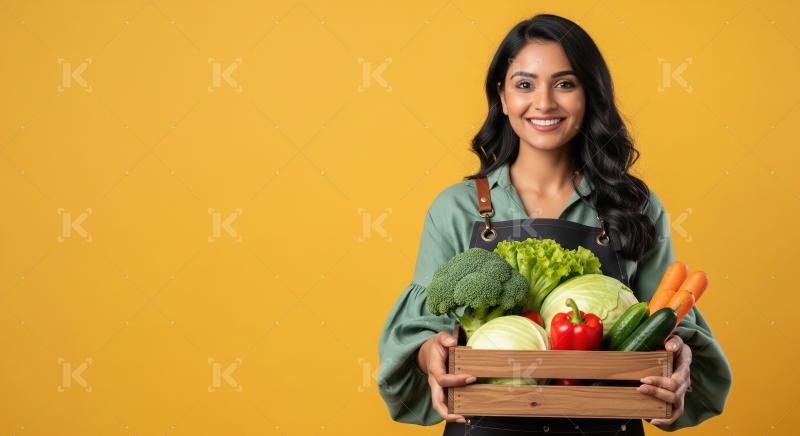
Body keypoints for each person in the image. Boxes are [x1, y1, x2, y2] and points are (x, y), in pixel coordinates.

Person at [377, 13, 732, 436]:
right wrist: (430, 353)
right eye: (524, 84)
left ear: (589, 95)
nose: (544, 103)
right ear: (502, 96)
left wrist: (680, 358)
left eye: (565, 84)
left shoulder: (634, 205)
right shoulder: (456, 208)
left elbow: (669, 320)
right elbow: (422, 330)